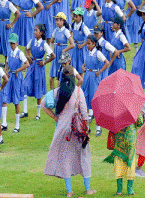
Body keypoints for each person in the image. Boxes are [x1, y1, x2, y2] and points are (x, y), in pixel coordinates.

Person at [42, 66, 96, 197]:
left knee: (65, 158)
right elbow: (84, 112)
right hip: (78, 130)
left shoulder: (57, 92)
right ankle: (88, 189)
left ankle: (69, 191)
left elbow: (44, 104)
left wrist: (55, 117)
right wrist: (86, 129)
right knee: (84, 156)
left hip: (62, 129)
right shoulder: (78, 91)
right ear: (73, 77)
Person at [103, 111, 143, 196]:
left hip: (119, 140)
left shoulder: (115, 110)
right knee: (130, 163)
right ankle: (130, 190)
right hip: (130, 139)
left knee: (119, 164)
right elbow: (140, 122)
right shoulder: (133, 108)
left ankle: (119, 190)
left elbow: (110, 124)